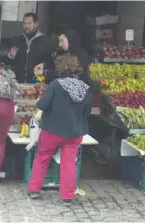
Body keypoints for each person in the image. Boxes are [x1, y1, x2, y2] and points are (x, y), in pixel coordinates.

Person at [27, 54, 92, 207]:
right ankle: (67, 197)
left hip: (52, 130)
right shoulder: (85, 89)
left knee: (43, 157)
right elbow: (87, 112)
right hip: (74, 132)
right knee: (69, 163)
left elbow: (42, 105)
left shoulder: (56, 85)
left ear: (60, 68)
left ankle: (34, 189)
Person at [1, 12, 56, 83]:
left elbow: (51, 64)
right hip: (18, 83)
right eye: (24, 23)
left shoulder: (46, 42)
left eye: (29, 23)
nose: (26, 26)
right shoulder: (18, 40)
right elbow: (8, 62)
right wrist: (10, 56)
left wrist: (43, 67)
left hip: (37, 83)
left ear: (36, 24)